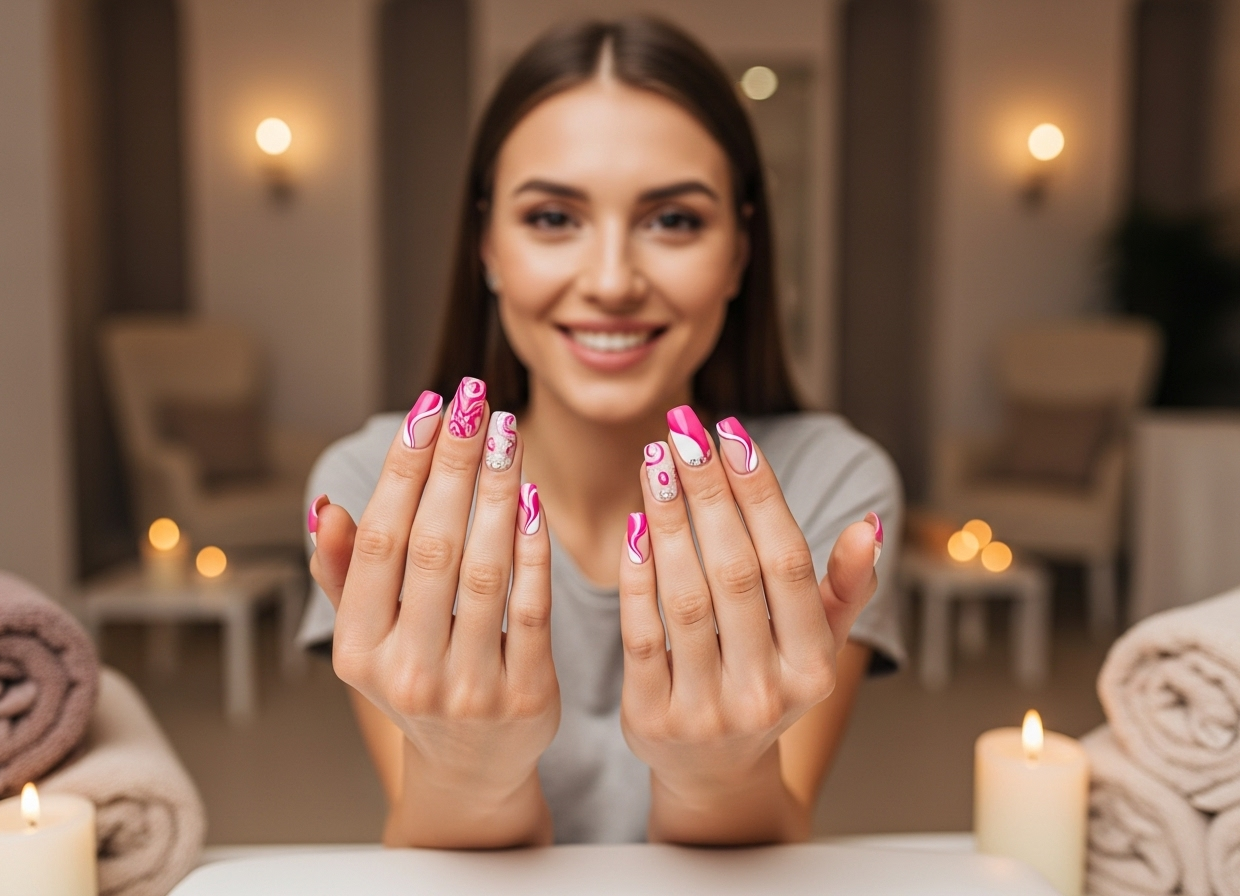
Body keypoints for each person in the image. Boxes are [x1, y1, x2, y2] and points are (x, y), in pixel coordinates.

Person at [299, 16, 904, 849]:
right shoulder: (379, 486)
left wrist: (717, 776)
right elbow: (430, 852)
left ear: (740, 253)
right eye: (552, 218)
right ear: (488, 246)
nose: (613, 281)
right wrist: (468, 773)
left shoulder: (827, 486)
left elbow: (769, 849)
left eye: (674, 221)